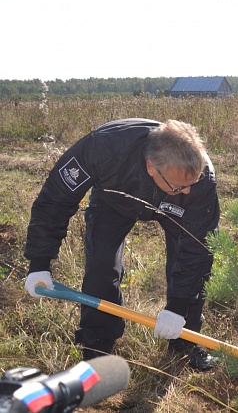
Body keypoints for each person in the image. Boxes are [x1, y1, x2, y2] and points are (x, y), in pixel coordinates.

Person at [23, 118, 220, 371]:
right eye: (179, 185)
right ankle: (98, 341)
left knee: (191, 267)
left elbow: (198, 248)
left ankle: (186, 339)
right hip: (114, 200)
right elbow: (54, 202)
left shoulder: (198, 183)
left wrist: (177, 306)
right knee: (101, 265)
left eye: (190, 184)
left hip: (177, 212)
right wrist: (39, 263)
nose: (186, 191)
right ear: (151, 167)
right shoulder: (102, 149)